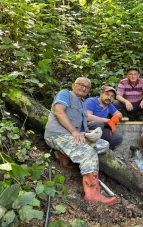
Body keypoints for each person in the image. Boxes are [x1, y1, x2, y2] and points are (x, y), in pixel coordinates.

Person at [44, 77, 117, 205]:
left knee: (104, 144)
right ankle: (92, 193)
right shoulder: (65, 94)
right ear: (73, 85)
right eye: (81, 85)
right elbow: (59, 112)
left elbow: (81, 126)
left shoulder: (82, 104)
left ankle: (63, 154)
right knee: (88, 153)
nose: (84, 88)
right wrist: (74, 131)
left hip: (72, 136)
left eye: (87, 87)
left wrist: (89, 134)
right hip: (57, 134)